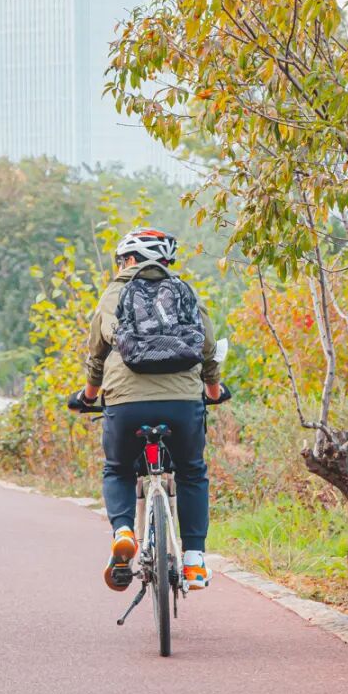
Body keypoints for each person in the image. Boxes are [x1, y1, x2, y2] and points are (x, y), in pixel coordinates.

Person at [68, 228, 224, 591]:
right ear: (166, 262)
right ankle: (194, 561)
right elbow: (208, 347)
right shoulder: (183, 291)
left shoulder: (114, 293)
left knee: (118, 468)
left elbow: (97, 354)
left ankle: (124, 531)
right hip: (183, 402)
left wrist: (88, 396)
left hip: (126, 404)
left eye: (122, 261)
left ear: (130, 260)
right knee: (191, 471)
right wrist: (213, 390)